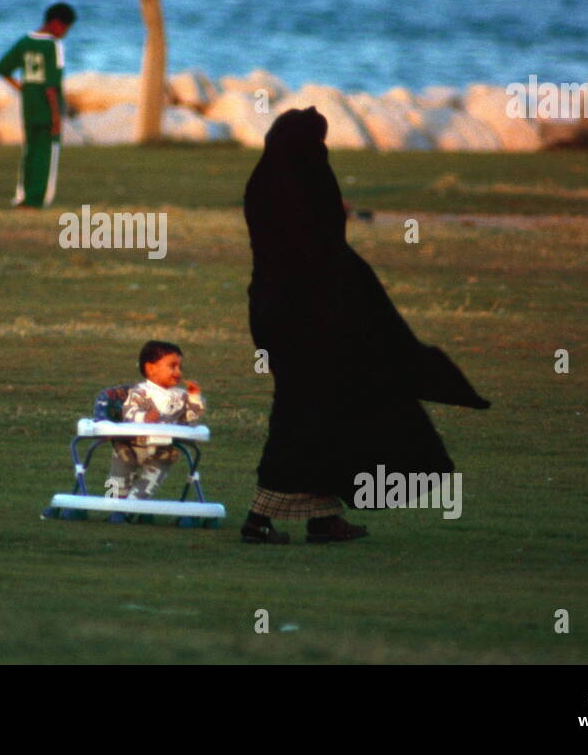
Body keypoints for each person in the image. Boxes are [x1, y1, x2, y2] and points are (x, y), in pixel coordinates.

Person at [240, 107, 491, 545]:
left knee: (329, 412)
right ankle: (259, 517)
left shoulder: (266, 182)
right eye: (318, 143)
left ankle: (322, 518)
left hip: (277, 314)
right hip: (308, 322)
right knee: (301, 415)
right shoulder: (304, 185)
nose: (324, 152)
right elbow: (320, 247)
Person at [0, 2, 76, 209]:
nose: (65, 34)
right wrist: (57, 117)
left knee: (30, 151)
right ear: (57, 24)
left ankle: (23, 197)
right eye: (66, 29)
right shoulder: (54, 46)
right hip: (48, 108)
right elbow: (51, 87)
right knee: (46, 154)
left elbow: (3, 70)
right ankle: (36, 200)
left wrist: (23, 89)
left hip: (29, 106)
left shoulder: (24, 42)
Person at [105, 340, 205, 501]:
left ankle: (135, 503)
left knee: (151, 480)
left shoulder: (180, 397)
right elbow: (128, 413)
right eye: (172, 366)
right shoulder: (141, 393)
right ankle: (112, 503)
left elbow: (190, 418)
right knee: (118, 477)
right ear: (151, 368)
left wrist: (194, 397)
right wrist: (143, 417)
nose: (178, 372)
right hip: (131, 445)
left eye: (180, 367)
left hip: (163, 448)